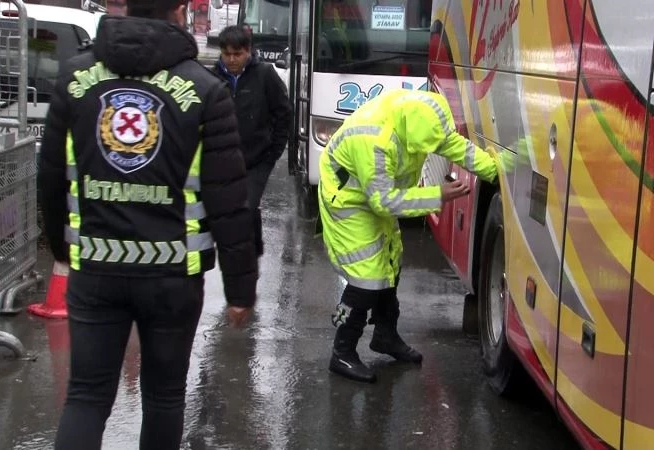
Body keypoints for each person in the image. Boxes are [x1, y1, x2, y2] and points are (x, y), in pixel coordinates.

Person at [37, 0, 258, 448]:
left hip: (95, 268)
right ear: (179, 10)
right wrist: (240, 288)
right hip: (172, 277)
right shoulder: (205, 91)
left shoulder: (76, 80)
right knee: (164, 397)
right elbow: (229, 198)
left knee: (86, 396)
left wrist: (62, 250)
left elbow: (50, 175)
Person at [318, 89, 501, 383]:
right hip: (349, 199)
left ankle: (385, 336)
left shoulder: (425, 118)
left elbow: (455, 146)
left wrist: (496, 172)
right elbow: (384, 202)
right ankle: (342, 351)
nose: (430, 149)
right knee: (367, 279)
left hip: (377, 193)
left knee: (390, 264)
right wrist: (436, 195)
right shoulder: (374, 141)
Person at [212, 25, 291, 256]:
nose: (232, 59)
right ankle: (245, 246)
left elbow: (283, 113)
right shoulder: (214, 78)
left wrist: (273, 152)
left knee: (246, 206)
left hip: (258, 159)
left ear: (248, 51)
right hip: (224, 158)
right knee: (231, 207)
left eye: (237, 54)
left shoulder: (265, 75)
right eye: (227, 54)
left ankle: (246, 255)